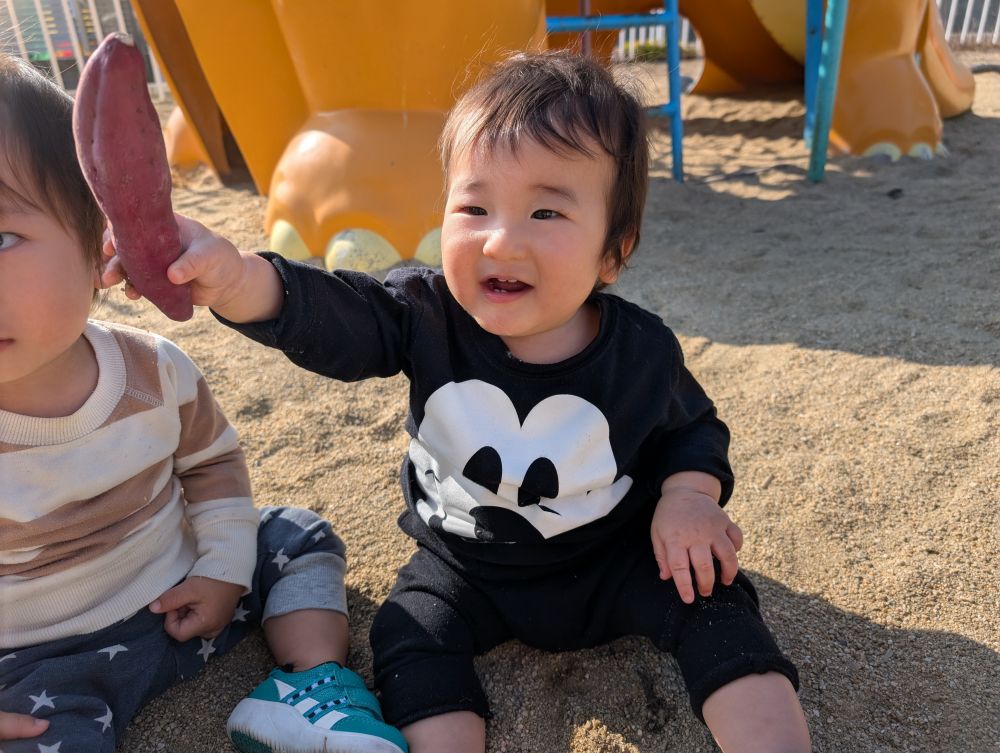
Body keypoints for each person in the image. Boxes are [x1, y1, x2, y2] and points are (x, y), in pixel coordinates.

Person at [103, 51, 812, 752]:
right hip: (464, 566)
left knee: (717, 601)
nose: (501, 239)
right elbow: (336, 315)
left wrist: (688, 497)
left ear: (612, 251)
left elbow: (693, 431)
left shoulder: (643, 352)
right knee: (408, 634)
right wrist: (233, 279)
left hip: (616, 557)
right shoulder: (424, 313)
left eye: (545, 210)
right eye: (474, 206)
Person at [0, 54, 407, 753]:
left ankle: (311, 683)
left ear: (101, 244)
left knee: (295, 534)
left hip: (180, 596)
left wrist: (221, 566)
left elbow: (213, 469)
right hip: (34, 669)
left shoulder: (152, 372)